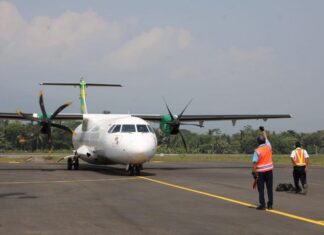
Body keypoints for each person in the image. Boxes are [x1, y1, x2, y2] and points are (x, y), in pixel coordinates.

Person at [252, 126, 273, 210]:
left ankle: (262, 205)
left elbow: (254, 163)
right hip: (269, 171)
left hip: (260, 172)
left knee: (261, 189)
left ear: (258, 142)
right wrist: (263, 131)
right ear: (264, 141)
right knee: (269, 188)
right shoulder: (268, 146)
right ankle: (270, 205)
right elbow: (266, 138)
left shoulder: (257, 151)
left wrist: (254, 173)